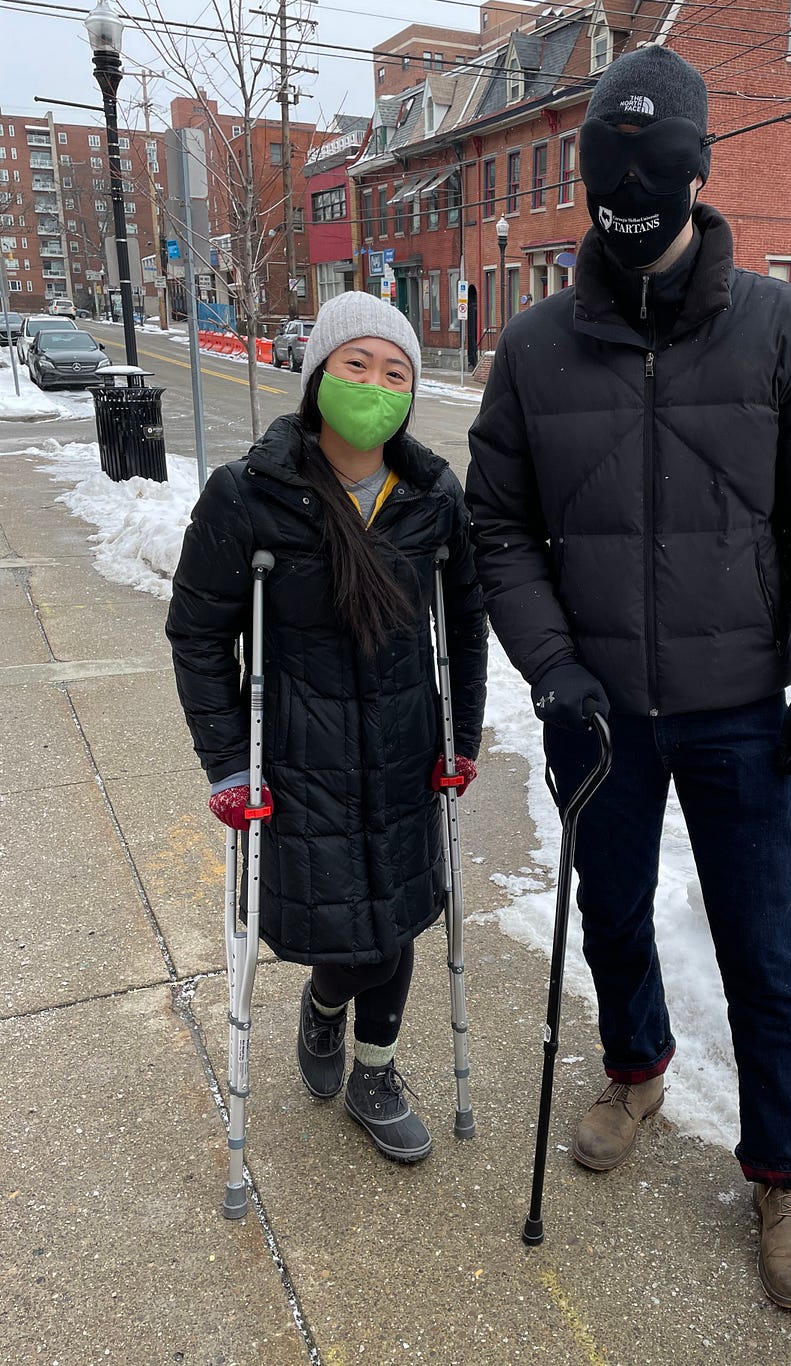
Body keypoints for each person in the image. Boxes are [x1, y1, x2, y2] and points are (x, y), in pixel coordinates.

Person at [465, 46, 791, 1309]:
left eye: (654, 165)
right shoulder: (533, 349)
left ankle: (782, 1172)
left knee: (764, 949)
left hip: (742, 706)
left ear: (699, 171)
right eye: (606, 167)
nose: (629, 189)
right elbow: (497, 529)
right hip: (601, 713)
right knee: (613, 913)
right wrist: (551, 664)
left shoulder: (788, 329)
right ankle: (635, 1066)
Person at [167, 291, 487, 1165]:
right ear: (317, 378)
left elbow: (465, 621)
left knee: (401, 924)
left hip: (403, 755)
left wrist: (464, 739)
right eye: (358, 365)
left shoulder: (430, 499)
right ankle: (323, 1005)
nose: (377, 385)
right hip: (301, 765)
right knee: (346, 938)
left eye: (397, 372)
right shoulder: (248, 497)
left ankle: (374, 1073)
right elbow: (198, 635)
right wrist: (231, 765)